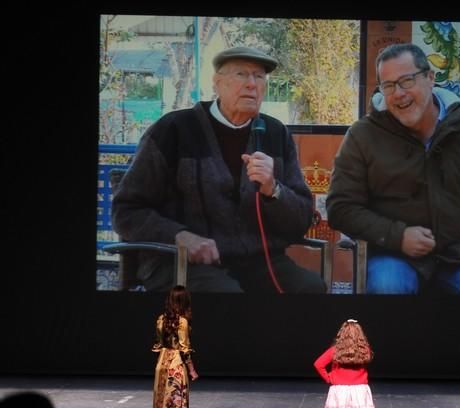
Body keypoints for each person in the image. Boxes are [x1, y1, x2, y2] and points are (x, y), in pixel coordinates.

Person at [326, 43, 460, 294]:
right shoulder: (364, 135)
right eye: (388, 85)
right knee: (387, 286)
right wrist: (397, 236)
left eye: (407, 81)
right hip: (392, 255)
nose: (398, 93)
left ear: (430, 78)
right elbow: (340, 207)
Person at [112, 46, 326, 293]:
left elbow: (301, 220)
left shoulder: (276, 134)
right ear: (217, 83)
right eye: (241, 75)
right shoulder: (173, 130)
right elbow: (125, 211)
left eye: (259, 77)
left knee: (310, 288)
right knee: (225, 298)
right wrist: (180, 237)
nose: (252, 84)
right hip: (180, 261)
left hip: (258, 261)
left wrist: (274, 190)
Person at [148, 285, 199, 408]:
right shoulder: (183, 322)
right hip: (176, 367)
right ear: (184, 301)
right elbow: (184, 350)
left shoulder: (161, 320)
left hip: (161, 365)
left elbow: (158, 344)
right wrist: (192, 370)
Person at [313, 319, 375, 408]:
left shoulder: (335, 350)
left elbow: (318, 364)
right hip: (359, 390)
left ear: (342, 333)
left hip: (340, 390)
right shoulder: (365, 350)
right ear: (360, 334)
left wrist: (329, 378)